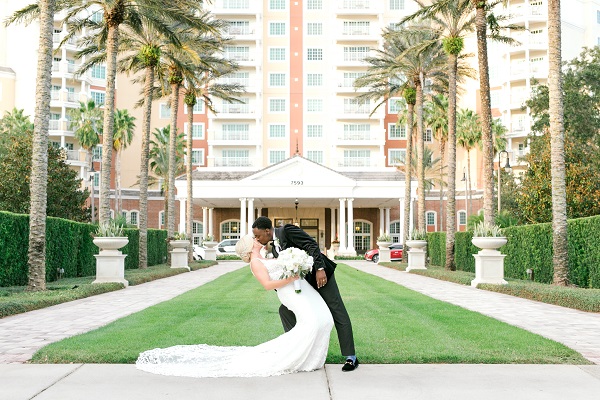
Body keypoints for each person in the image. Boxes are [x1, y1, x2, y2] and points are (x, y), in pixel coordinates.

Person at [135, 234, 334, 378]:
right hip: (289, 292)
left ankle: (312, 359)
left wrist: (296, 263)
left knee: (324, 318)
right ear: (250, 247)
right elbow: (267, 285)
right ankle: (301, 359)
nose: (257, 239)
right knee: (312, 322)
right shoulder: (256, 263)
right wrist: (291, 277)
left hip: (297, 288)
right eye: (254, 240)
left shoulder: (264, 257)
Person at [252, 216, 359, 372]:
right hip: (303, 283)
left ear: (267, 231)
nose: (256, 238)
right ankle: (299, 351)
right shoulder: (274, 248)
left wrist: (320, 269)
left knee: (336, 309)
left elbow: (311, 245)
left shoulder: (287, 231)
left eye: (257, 235)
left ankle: (351, 357)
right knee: (285, 310)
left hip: (321, 276)